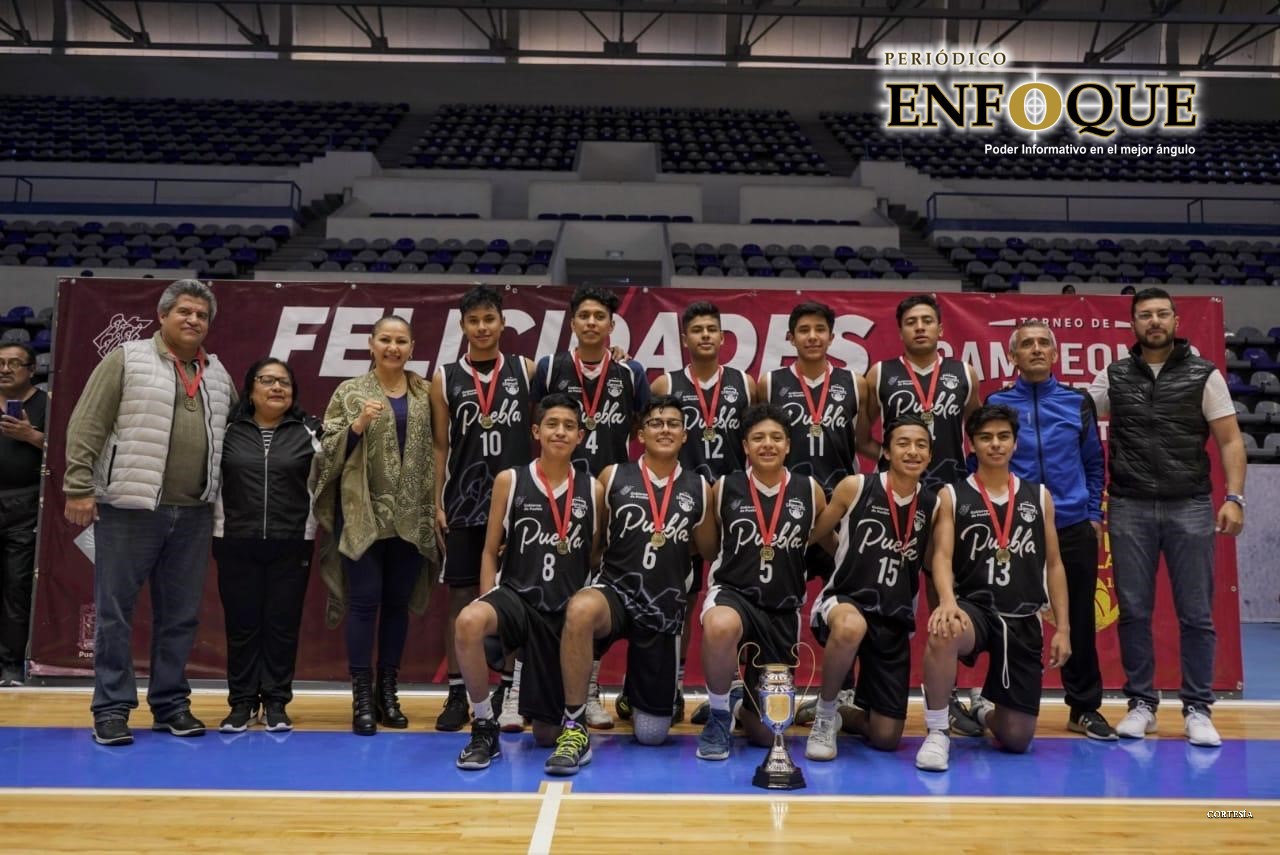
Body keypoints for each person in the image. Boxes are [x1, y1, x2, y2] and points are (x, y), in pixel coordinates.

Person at [63, 279, 236, 746]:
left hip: (194, 513)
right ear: (162, 315)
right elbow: (87, 422)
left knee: (180, 615)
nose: (193, 320)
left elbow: (232, 440)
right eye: (184, 311)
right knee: (115, 612)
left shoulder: (217, 375)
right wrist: (79, 486)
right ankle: (112, 709)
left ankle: (170, 704)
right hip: (130, 508)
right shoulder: (128, 359)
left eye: (201, 315)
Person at [1088, 287, 1246, 748]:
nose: (1153, 321)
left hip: (1190, 504)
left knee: (1196, 613)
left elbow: (1231, 441)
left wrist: (1234, 496)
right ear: (1133, 324)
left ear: (1176, 320)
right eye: (1144, 315)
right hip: (1129, 505)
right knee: (1134, 611)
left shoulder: (1204, 374)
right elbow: (1071, 411)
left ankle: (1198, 707)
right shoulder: (1113, 375)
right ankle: (1142, 704)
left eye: (1161, 314)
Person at [546, 395, 716, 775]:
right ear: (640, 434)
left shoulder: (699, 487)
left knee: (652, 735)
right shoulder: (612, 476)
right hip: (616, 592)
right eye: (656, 423)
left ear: (685, 435)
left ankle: (632, 693)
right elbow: (595, 544)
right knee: (581, 609)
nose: (665, 430)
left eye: (673, 423)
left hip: (663, 605)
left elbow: (707, 548)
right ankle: (573, 726)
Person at [915, 404, 1072, 772]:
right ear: (972, 445)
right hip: (976, 610)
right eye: (986, 438)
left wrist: (1063, 628)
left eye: (1003, 437)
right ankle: (938, 732)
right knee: (943, 630)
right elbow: (940, 556)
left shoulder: (1039, 496)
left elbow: (1054, 564)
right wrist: (948, 602)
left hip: (1022, 616)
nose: (995, 445)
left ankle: (984, 711)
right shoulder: (952, 496)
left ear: (1016, 444)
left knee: (1017, 739)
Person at [455, 394, 603, 770]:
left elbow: (596, 555)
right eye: (552, 424)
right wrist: (488, 600)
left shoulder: (594, 489)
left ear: (580, 436)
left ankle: (571, 722)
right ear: (536, 431)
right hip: (518, 597)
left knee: (545, 736)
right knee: (469, 622)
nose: (560, 432)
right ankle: (483, 726)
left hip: (563, 610)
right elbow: (490, 551)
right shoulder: (511, 479)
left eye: (569, 426)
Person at [859, 293, 983, 737]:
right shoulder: (879, 375)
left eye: (928, 320)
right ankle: (866, 693)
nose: (920, 328)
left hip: (944, 495)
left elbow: (975, 432)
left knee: (940, 587)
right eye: (911, 321)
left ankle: (944, 699)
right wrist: (895, 463)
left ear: (941, 329)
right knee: (878, 591)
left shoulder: (965, 375)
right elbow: (862, 435)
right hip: (894, 496)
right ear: (900, 330)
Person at [988, 321, 1115, 740]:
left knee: (1077, 617)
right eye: (1027, 344)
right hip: (1016, 526)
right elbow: (986, 462)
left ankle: (1083, 707)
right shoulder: (999, 402)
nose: (1037, 349)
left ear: (1056, 354)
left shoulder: (1077, 402)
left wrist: (1093, 513)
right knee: (1008, 616)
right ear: (1014, 356)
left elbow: (1094, 462)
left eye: (1044, 343)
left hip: (1072, 523)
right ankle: (1001, 701)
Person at [313, 314, 439, 736]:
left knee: (398, 604)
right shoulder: (349, 392)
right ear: (370, 344)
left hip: (411, 514)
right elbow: (325, 448)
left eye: (401, 340)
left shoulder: (425, 391)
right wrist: (358, 425)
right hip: (363, 513)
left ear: (412, 345)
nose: (393, 347)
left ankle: (389, 691)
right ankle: (362, 697)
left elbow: (443, 447)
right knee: (365, 603)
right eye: (385, 339)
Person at [532, 286, 649, 729]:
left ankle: (593, 689)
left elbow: (639, 423)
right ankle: (525, 686)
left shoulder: (630, 371)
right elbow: (537, 420)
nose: (592, 323)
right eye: (584, 315)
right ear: (573, 322)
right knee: (545, 586)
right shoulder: (550, 368)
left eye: (600, 316)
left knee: (597, 585)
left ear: (611, 324)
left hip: (612, 494)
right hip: (557, 491)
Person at [643, 301, 755, 723]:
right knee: (682, 599)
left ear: (724, 338)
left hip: (736, 505)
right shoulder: (664, 384)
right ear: (685, 339)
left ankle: (737, 687)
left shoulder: (746, 383)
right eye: (697, 330)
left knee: (739, 598)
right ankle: (671, 686)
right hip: (679, 503)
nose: (705, 335)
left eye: (712, 329)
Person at [430, 286, 535, 733]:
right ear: (462, 327)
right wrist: (437, 499)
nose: (482, 327)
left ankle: (510, 687)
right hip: (464, 499)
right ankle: (458, 690)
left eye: (489, 319)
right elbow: (440, 444)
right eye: (474, 321)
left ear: (502, 322)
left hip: (518, 500)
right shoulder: (445, 376)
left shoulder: (526, 370)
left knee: (514, 596)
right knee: (460, 595)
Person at [805, 416, 939, 760]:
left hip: (893, 613)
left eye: (921, 445)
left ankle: (844, 714)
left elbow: (936, 561)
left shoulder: (934, 503)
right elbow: (817, 533)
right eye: (903, 443)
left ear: (930, 454)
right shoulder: (856, 486)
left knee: (886, 737)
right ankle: (824, 713)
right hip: (846, 599)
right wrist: (844, 553)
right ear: (887, 451)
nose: (912, 451)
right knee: (852, 626)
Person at [696, 403, 825, 761]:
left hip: (781, 608)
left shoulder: (810, 490)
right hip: (733, 593)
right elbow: (708, 547)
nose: (767, 444)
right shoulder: (724, 487)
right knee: (720, 625)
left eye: (776, 437)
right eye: (758, 438)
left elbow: (822, 545)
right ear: (745, 446)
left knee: (766, 735)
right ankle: (719, 714)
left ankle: (741, 706)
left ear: (788, 445)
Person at [213, 358, 320, 733]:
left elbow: (334, 477)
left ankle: (276, 702)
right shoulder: (226, 431)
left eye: (285, 383)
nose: (277, 388)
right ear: (251, 388)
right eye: (268, 380)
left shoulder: (311, 432)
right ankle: (241, 703)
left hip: (291, 542)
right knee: (241, 626)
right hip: (234, 540)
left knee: (281, 626)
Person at [0, 341, 46, 687]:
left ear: (32, 369)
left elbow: (65, 450)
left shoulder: (47, 404)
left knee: (16, 587)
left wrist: (31, 435)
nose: (5, 369)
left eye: (15, 363)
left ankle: (11, 665)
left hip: (26, 504)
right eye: (0, 363)